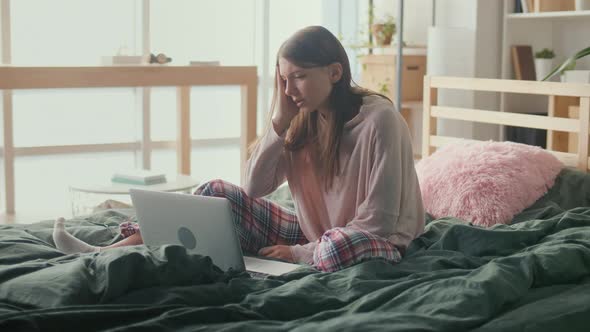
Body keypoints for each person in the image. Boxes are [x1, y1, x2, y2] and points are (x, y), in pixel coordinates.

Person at [53, 25, 425, 272]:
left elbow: (377, 223)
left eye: (298, 77)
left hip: (376, 241)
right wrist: (278, 124)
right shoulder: (299, 116)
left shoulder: (380, 121)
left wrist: (298, 254)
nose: (290, 89)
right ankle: (112, 250)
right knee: (214, 195)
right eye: (283, 79)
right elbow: (253, 187)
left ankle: (312, 251)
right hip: (318, 231)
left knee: (331, 250)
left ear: (334, 72)